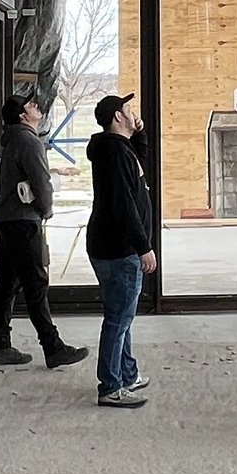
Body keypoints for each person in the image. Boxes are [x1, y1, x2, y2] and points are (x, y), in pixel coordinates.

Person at [0, 89, 88, 371]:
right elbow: (41, 182)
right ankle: (53, 347)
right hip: (23, 221)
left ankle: (1, 345)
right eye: (30, 105)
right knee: (35, 284)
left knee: (8, 283)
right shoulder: (28, 141)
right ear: (23, 116)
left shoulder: (11, 141)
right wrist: (46, 209)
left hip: (7, 219)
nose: (36, 106)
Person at [84, 92, 156, 408]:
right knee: (118, 318)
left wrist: (139, 132)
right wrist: (143, 247)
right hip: (118, 249)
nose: (131, 112)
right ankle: (110, 386)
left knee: (122, 316)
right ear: (117, 117)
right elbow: (124, 205)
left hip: (113, 246)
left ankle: (126, 374)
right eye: (127, 110)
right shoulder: (114, 154)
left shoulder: (118, 150)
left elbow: (140, 170)